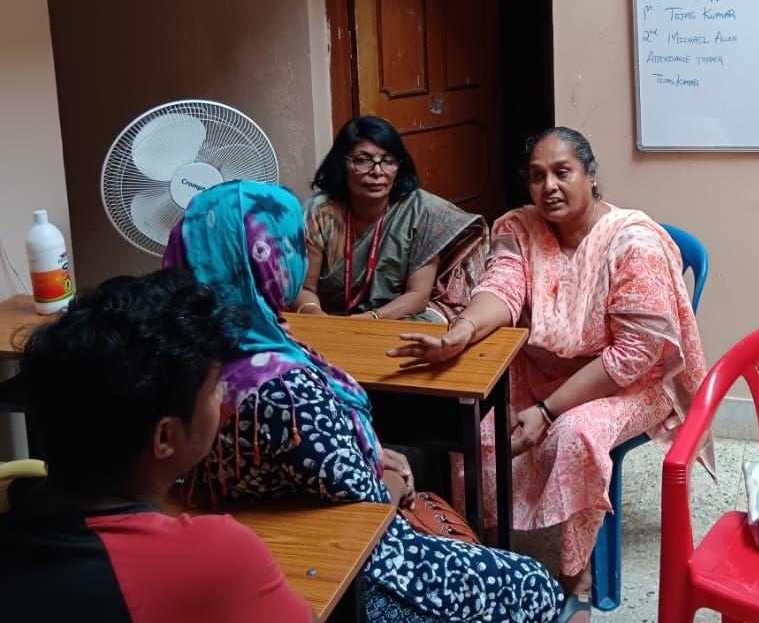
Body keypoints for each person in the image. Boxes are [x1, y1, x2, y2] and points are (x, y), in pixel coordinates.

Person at [163, 179, 562, 623]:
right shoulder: (284, 389)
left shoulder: (183, 358)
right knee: (533, 584)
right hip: (354, 573)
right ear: (268, 261)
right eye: (293, 244)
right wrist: (393, 478)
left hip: (265, 526)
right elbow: (371, 506)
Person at [388, 127, 711, 623]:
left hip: (629, 384)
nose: (549, 187)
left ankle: (575, 576)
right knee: (475, 425)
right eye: (537, 177)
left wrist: (546, 410)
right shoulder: (519, 228)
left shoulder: (633, 243)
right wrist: (464, 329)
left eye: (563, 173)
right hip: (540, 369)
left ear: (591, 175)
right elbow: (503, 285)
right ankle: (487, 551)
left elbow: (631, 357)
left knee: (575, 434)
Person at [0, 270, 315, 622]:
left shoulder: (15, 508)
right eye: (213, 388)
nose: (224, 398)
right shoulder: (218, 556)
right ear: (165, 437)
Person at [294, 115, 488, 322]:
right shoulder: (321, 212)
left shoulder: (420, 211)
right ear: (342, 164)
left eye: (388, 161)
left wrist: (371, 319)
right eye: (363, 160)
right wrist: (319, 319)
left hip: (394, 318)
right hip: (330, 319)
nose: (377, 172)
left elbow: (417, 296)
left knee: (427, 327)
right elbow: (304, 288)